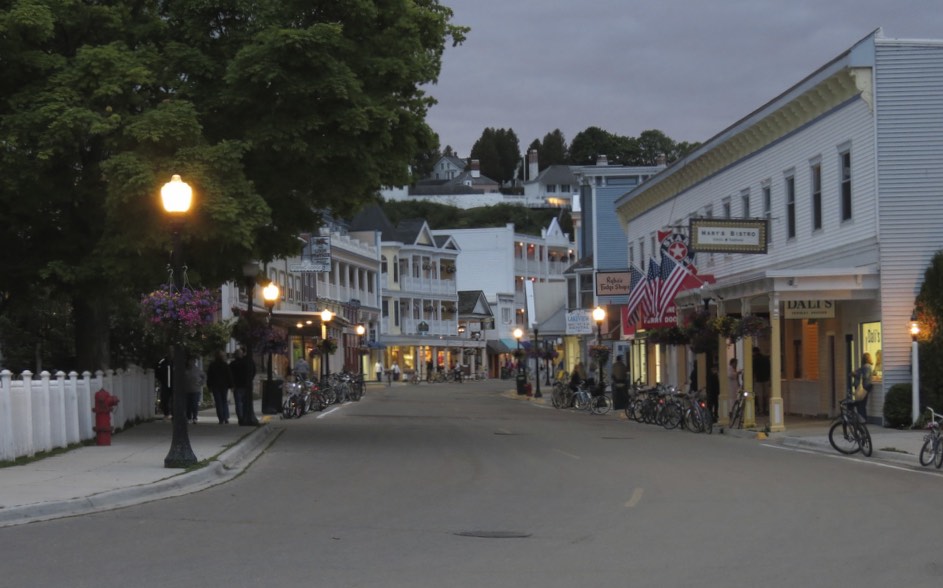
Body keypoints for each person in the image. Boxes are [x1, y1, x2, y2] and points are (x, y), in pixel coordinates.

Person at [230, 347, 258, 426]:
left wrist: (232, 384)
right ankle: (245, 417)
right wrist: (250, 380)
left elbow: (230, 375)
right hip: (246, 385)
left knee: (238, 403)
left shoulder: (233, 364)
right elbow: (253, 371)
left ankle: (241, 418)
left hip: (237, 385)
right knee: (245, 402)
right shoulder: (247, 363)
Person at [206, 351, 233, 424]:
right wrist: (231, 385)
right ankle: (226, 417)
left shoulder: (212, 365)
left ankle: (221, 418)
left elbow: (209, 376)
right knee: (224, 401)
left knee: (218, 402)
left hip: (215, 385)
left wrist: (209, 386)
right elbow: (229, 375)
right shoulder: (225, 365)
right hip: (224, 385)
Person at [852, 352, 874, 420]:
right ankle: (863, 419)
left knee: (861, 404)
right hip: (866, 387)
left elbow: (865, 376)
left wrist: (855, 374)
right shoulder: (868, 366)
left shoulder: (866, 366)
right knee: (862, 404)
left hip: (864, 387)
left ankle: (862, 419)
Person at [184, 355, 205, 424]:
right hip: (187, 390)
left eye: (192, 361)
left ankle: (195, 417)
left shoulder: (198, 370)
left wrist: (201, 383)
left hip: (196, 390)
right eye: (190, 361)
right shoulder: (185, 370)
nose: (191, 362)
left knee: (194, 404)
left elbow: (204, 377)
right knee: (188, 405)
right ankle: (189, 417)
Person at [752, 346, 771, 416]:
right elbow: (769, 369)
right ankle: (767, 409)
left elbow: (753, 370)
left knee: (760, 396)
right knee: (766, 395)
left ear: (754, 352)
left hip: (758, 379)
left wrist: (754, 378)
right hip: (766, 379)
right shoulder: (766, 359)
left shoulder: (755, 359)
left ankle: (761, 410)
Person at [155, 354, 173, 418]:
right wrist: (161, 379)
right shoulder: (162, 362)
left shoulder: (175, 362)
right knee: (165, 399)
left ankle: (173, 413)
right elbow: (157, 371)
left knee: (173, 399)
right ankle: (166, 413)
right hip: (165, 384)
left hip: (174, 384)